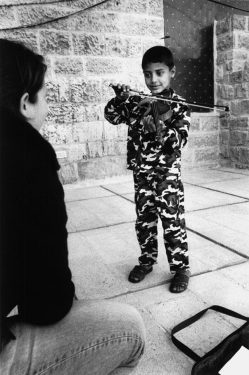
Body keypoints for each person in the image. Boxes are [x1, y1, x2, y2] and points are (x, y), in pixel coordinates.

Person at [0, 39, 145, 375]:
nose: (48, 107)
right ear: (25, 103)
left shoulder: (175, 106)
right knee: (129, 330)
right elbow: (47, 306)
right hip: (143, 181)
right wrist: (125, 99)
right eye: (47, 96)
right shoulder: (28, 154)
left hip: (163, 183)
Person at [105, 46, 191, 293]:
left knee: (172, 221)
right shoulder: (136, 102)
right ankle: (146, 261)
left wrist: (159, 130)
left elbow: (180, 140)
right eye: (148, 74)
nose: (153, 80)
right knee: (144, 221)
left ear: (171, 72)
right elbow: (111, 116)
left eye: (160, 73)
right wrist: (119, 99)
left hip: (167, 176)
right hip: (142, 174)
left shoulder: (179, 105)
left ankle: (181, 268)